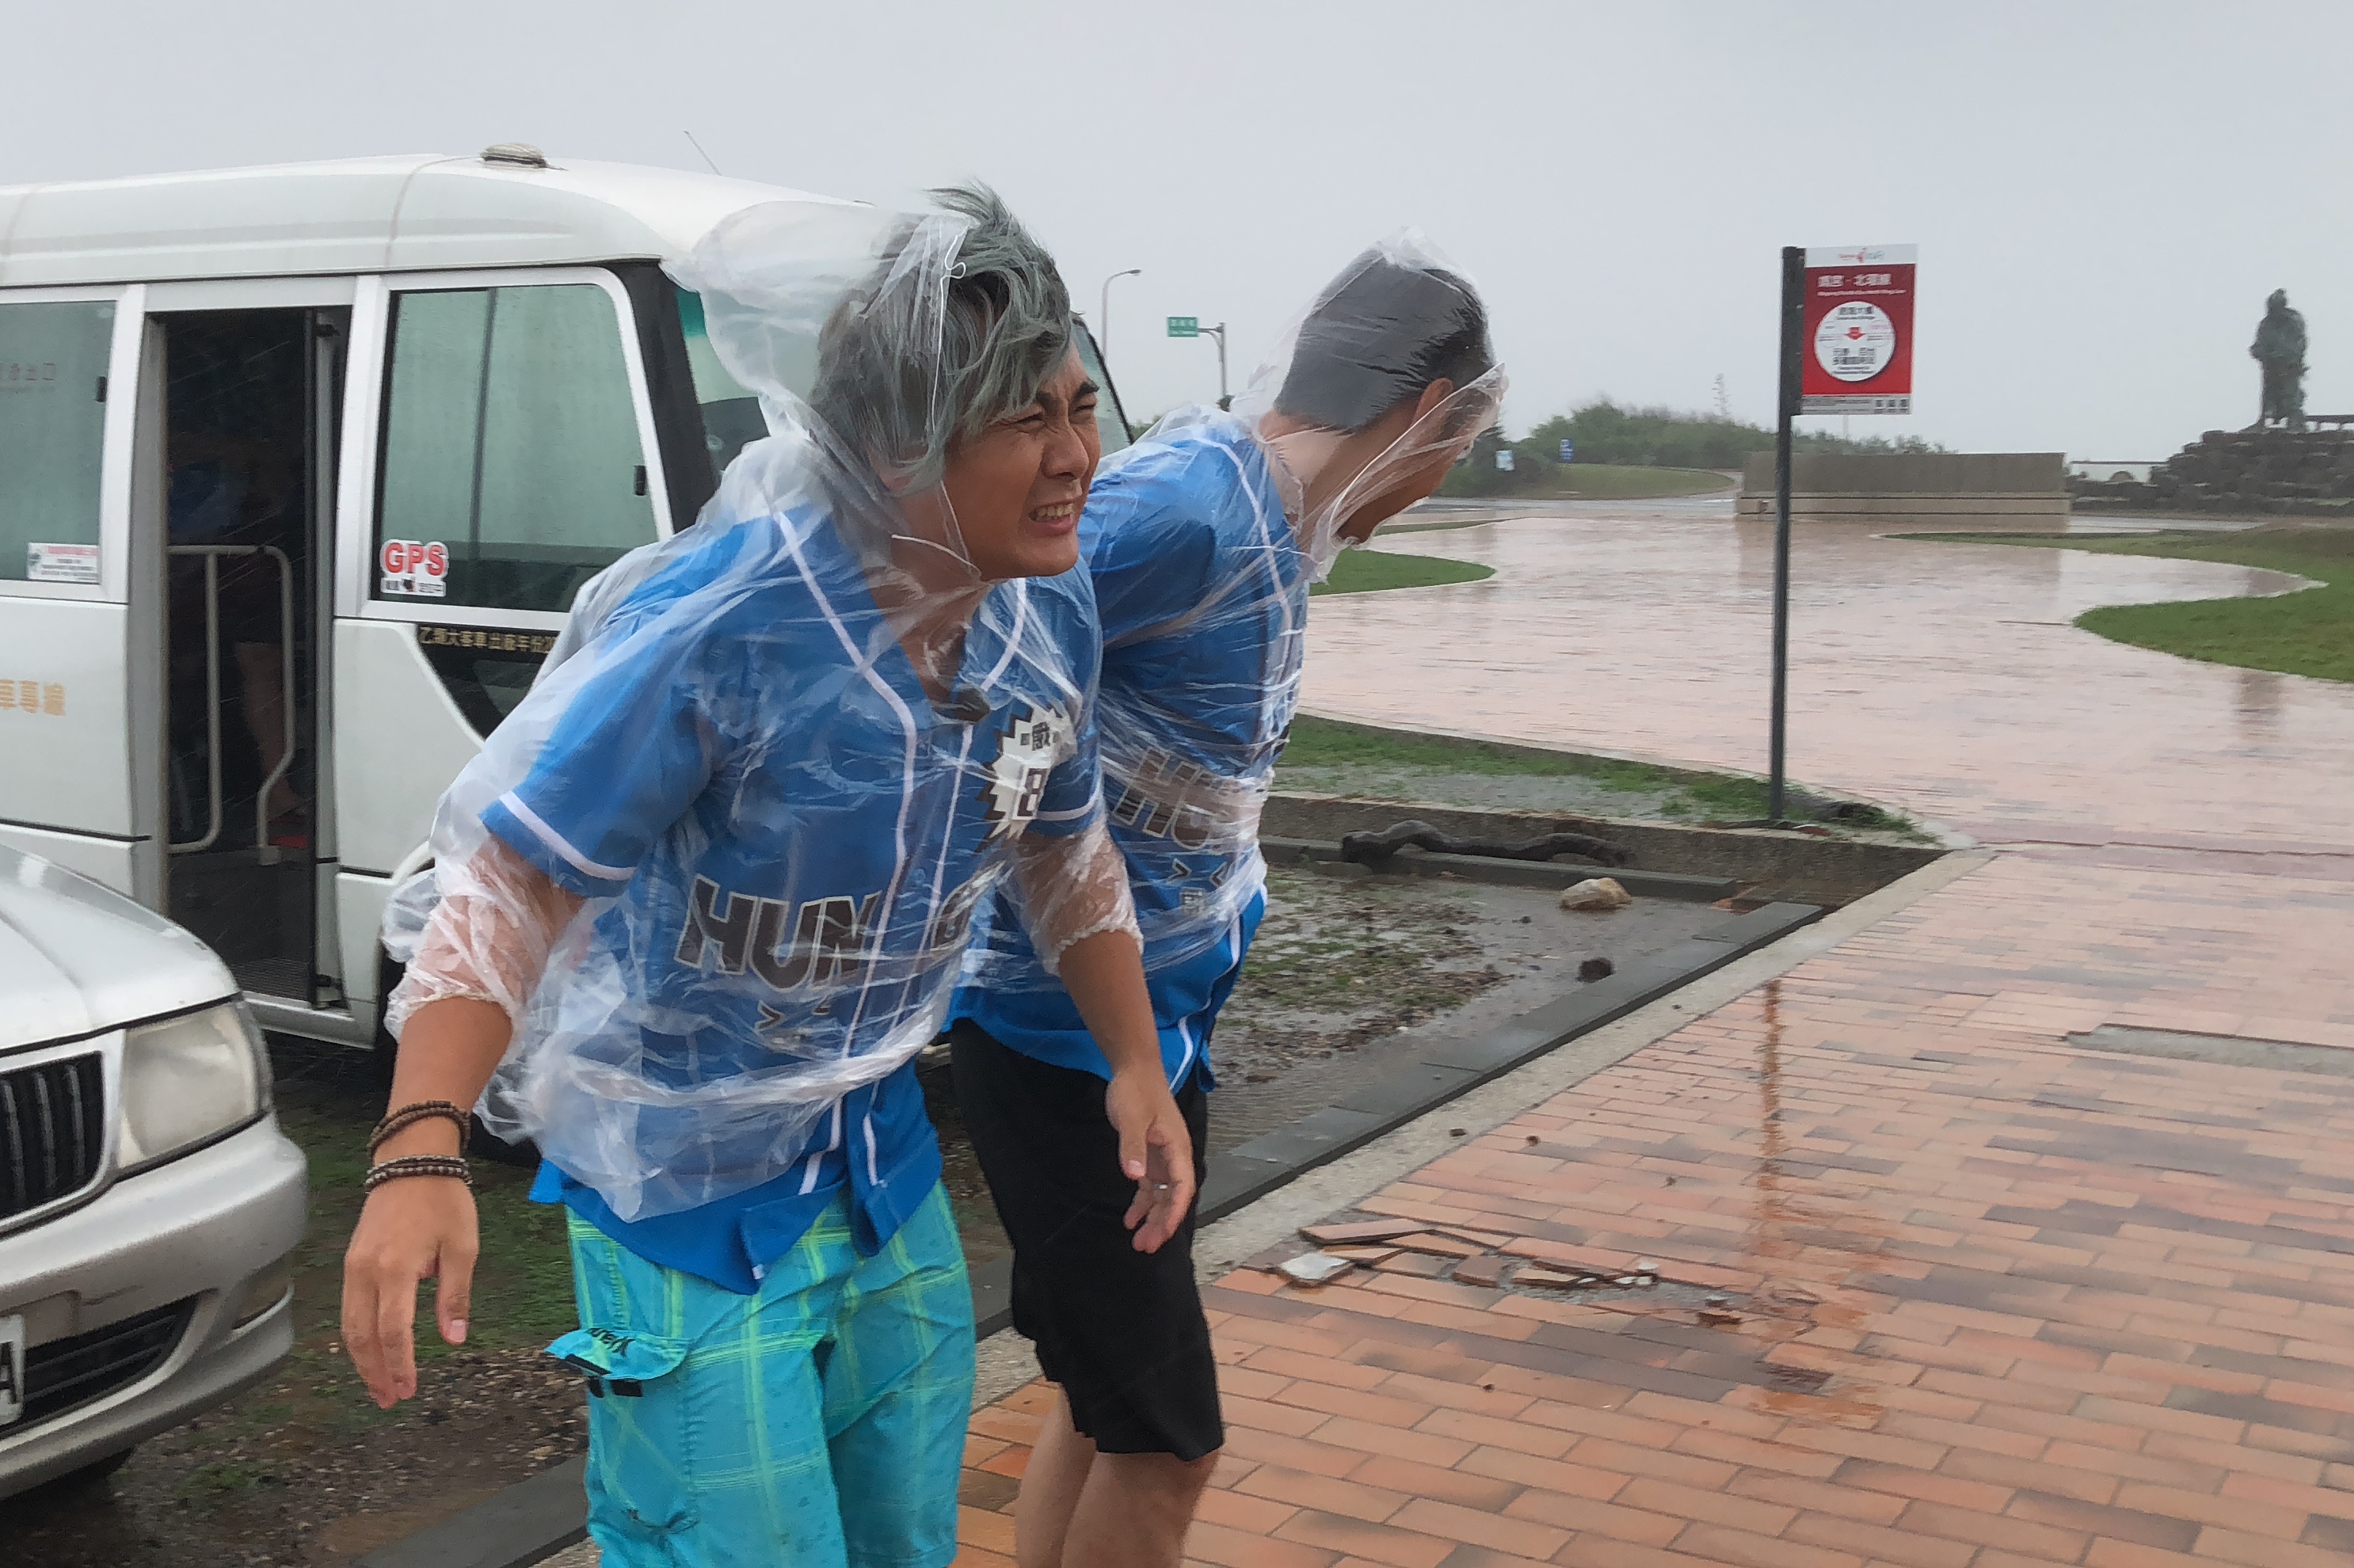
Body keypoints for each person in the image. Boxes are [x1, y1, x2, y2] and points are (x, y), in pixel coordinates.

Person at [341, 187, 1197, 1568]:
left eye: (1079, 404)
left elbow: (1063, 842)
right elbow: (507, 892)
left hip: (879, 1168)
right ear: (894, 446)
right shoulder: (729, 633)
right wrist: (418, 1144)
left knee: (902, 1542)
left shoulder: (1041, 615)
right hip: (679, 1195)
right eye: (1022, 418)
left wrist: (1135, 1060)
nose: (1074, 456)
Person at [948, 238, 1503, 1568]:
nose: (1431, 492)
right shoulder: (1187, 509)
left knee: (1103, 1401)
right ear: (1427, 411)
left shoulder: (1265, 527)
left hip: (1149, 1036)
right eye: (1454, 455)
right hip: (1063, 1041)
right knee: (1170, 1442)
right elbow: (979, 640)